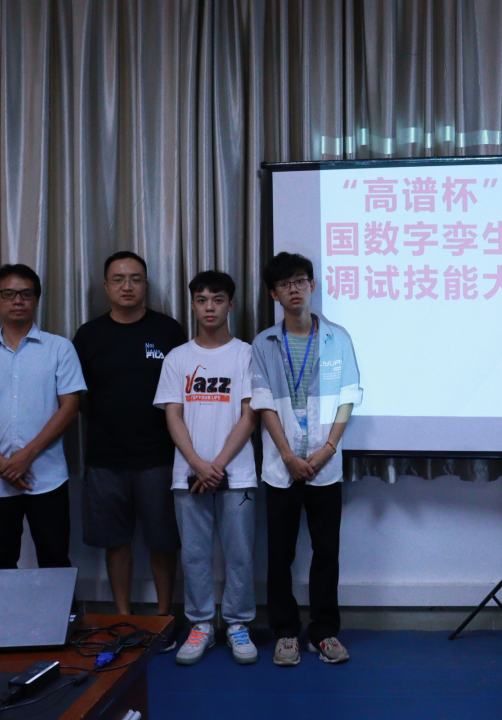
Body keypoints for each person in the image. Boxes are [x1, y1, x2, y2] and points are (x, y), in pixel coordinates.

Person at [251, 252, 362, 667]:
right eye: (284, 284)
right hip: (281, 467)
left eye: (300, 281)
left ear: (312, 285)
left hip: (324, 465)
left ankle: (324, 632)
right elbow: (263, 401)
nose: (293, 289)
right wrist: (287, 455)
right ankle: (285, 633)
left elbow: (348, 396)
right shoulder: (264, 343)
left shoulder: (338, 338)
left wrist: (328, 448)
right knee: (279, 555)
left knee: (326, 552)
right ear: (274, 294)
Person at [153, 271, 259, 666]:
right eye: (201, 300)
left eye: (217, 299)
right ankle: (200, 624)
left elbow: (250, 415)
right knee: (194, 556)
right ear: (193, 305)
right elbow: (173, 416)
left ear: (231, 304)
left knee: (240, 554)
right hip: (189, 474)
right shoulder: (178, 358)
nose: (209, 307)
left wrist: (218, 465)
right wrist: (198, 465)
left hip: (238, 474)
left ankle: (237, 623)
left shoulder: (246, 354)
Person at [73, 251, 185, 620]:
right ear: (106, 286)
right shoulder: (88, 335)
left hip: (160, 456)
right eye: (119, 279)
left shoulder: (168, 331)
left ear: (146, 285)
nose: (127, 286)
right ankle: (122, 617)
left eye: (135, 279)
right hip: (106, 457)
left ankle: (164, 617)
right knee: (115, 542)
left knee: (163, 541)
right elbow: (79, 396)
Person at [0, 264, 86, 570]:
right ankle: (4, 610)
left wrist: (26, 456)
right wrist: (1, 463)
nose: (18, 300)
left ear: (37, 299)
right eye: (9, 294)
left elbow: (70, 407)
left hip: (48, 476)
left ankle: (59, 608)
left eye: (26, 294)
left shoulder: (59, 348)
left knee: (55, 562)